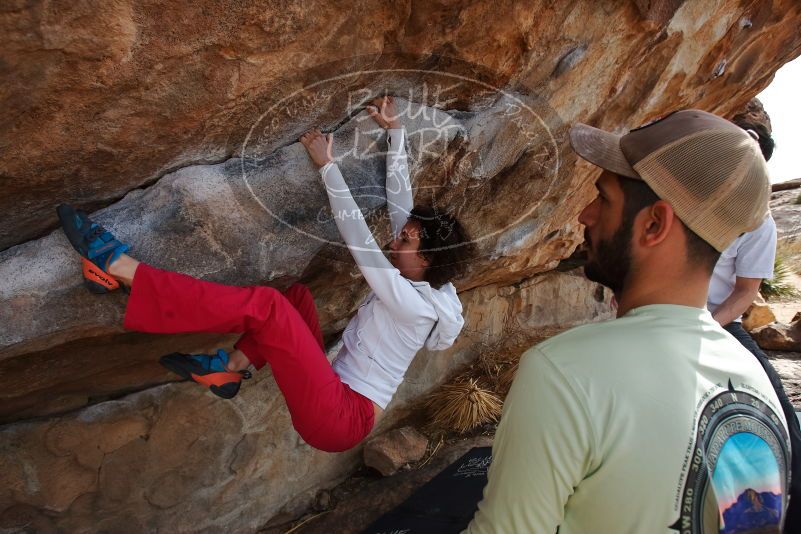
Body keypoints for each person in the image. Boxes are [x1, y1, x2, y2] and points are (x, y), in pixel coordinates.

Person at [56, 96, 472, 453]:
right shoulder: (430, 280)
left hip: (339, 419)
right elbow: (403, 206)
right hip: (332, 391)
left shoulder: (416, 307)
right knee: (295, 299)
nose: (395, 240)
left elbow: (359, 240)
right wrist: (396, 133)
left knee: (270, 309)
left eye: (406, 242)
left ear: (429, 259)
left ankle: (119, 268)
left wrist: (328, 166)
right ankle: (229, 369)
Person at [466, 110, 792, 533]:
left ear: (655, 223)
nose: (585, 215)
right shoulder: (758, 383)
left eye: (603, 198)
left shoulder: (565, 373)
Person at [708, 119, 801, 532]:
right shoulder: (679, 193)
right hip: (653, 315)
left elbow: (745, 292)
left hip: (718, 320)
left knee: (779, 407)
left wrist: (703, 325)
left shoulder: (759, 221)